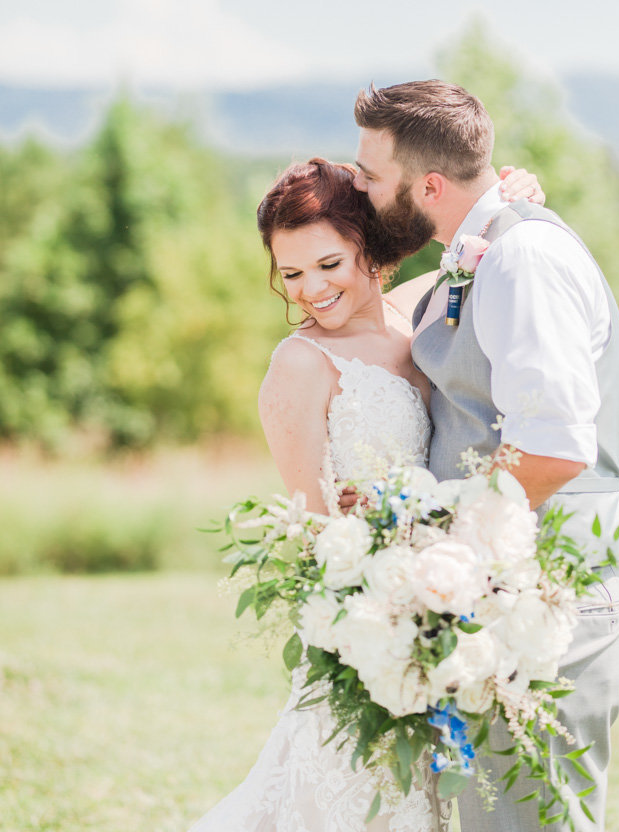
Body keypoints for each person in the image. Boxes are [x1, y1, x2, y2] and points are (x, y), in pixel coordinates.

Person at [187, 156, 545, 832]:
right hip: (367, 625)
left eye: (328, 264)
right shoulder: (299, 363)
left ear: (368, 250)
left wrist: (509, 196)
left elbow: (467, 253)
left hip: (444, 605)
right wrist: (391, 601)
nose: (310, 290)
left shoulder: (411, 323)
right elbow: (312, 527)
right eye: (291, 274)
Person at [351, 79, 619, 832]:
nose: (359, 189)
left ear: (427, 185)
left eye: (370, 177)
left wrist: (441, 563)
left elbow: (552, 448)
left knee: (530, 820)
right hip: (506, 584)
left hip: (548, 594)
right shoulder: (487, 250)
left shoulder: (523, 260)